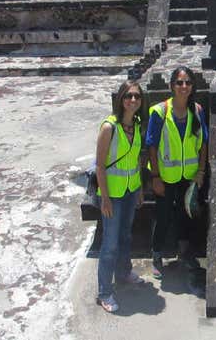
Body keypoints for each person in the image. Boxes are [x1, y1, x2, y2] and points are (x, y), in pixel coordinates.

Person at [147, 66, 208, 279]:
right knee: (163, 216)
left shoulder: (197, 111)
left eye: (188, 83)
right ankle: (156, 255)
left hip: (188, 176)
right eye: (179, 83)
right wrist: (155, 177)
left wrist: (200, 171)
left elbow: (203, 143)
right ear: (172, 86)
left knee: (185, 216)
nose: (184, 87)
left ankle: (185, 253)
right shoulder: (159, 112)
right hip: (165, 176)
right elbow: (151, 146)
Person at [95, 80, 147, 313]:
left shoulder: (136, 125)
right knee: (110, 244)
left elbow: (136, 160)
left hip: (129, 191)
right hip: (112, 196)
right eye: (128, 96)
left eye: (136, 96)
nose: (133, 100)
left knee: (125, 236)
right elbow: (100, 166)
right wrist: (104, 198)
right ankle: (105, 292)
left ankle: (124, 273)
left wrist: (139, 189)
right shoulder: (109, 127)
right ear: (121, 99)